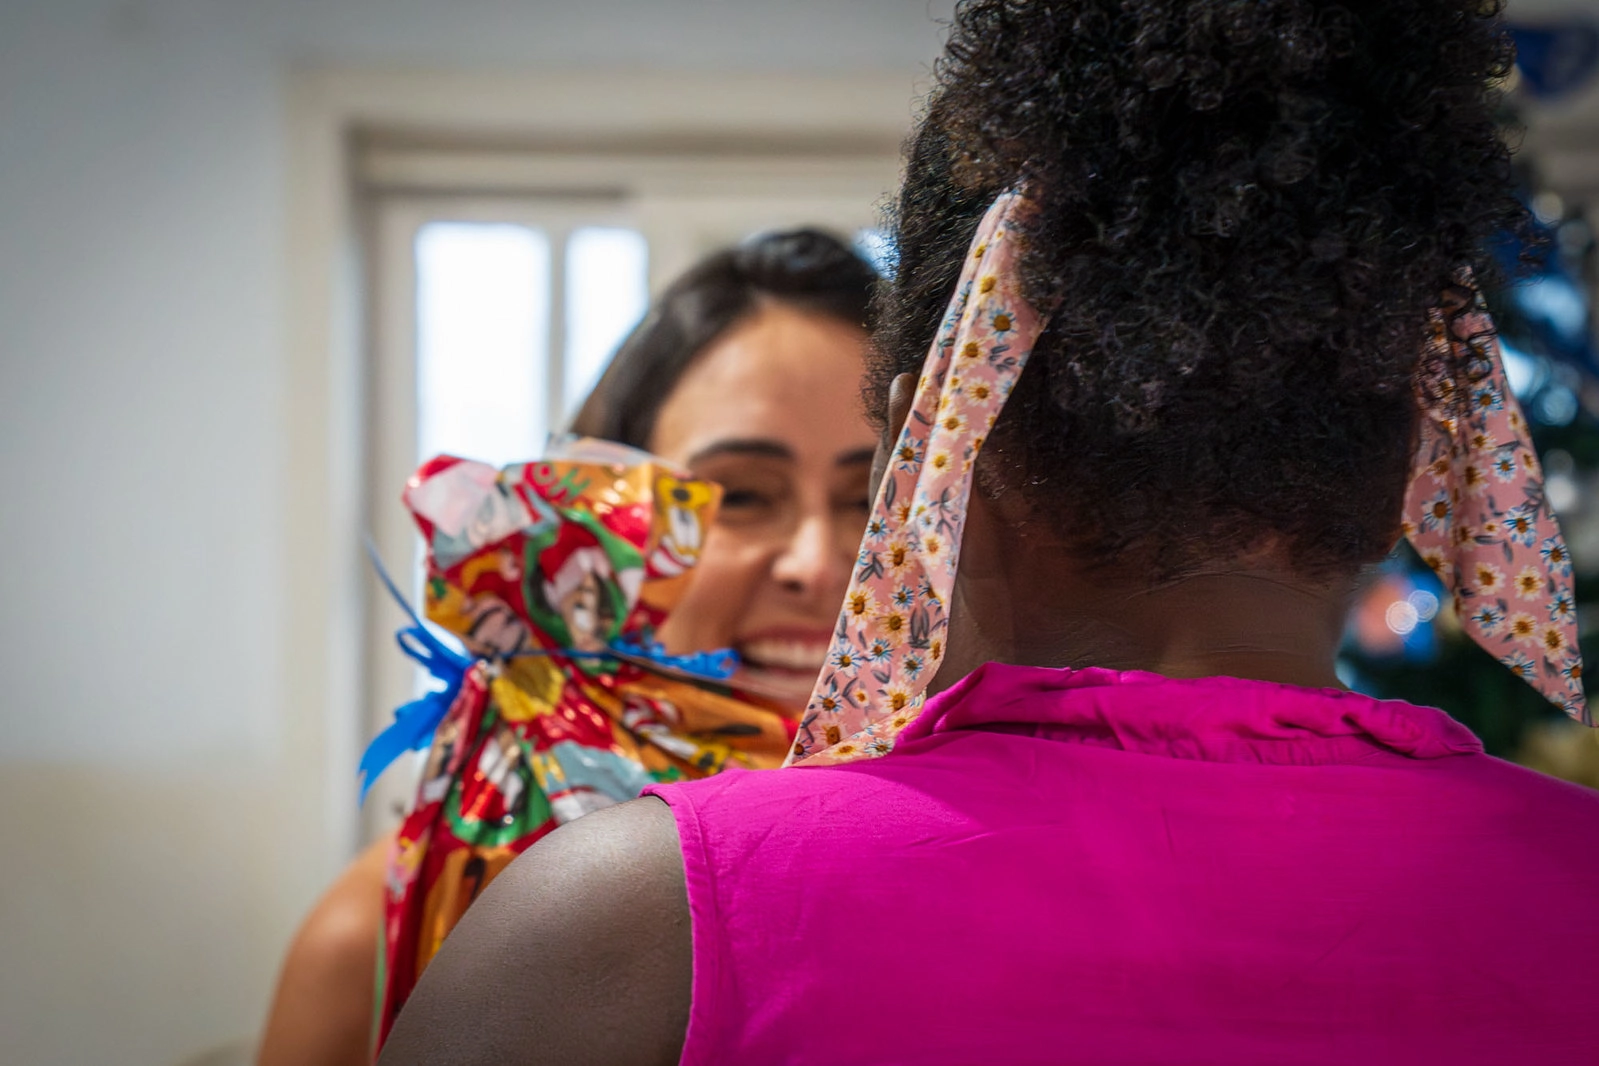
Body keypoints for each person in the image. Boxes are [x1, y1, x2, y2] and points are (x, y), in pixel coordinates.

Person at [378, 1, 1599, 1064]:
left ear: (931, 450)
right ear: (1421, 458)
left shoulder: (622, 934)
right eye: (737, 494)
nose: (810, 560)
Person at [255, 229, 879, 1066]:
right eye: (738, 495)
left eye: (874, 494)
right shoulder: (398, 928)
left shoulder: (994, 866)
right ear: (590, 524)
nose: (817, 562)